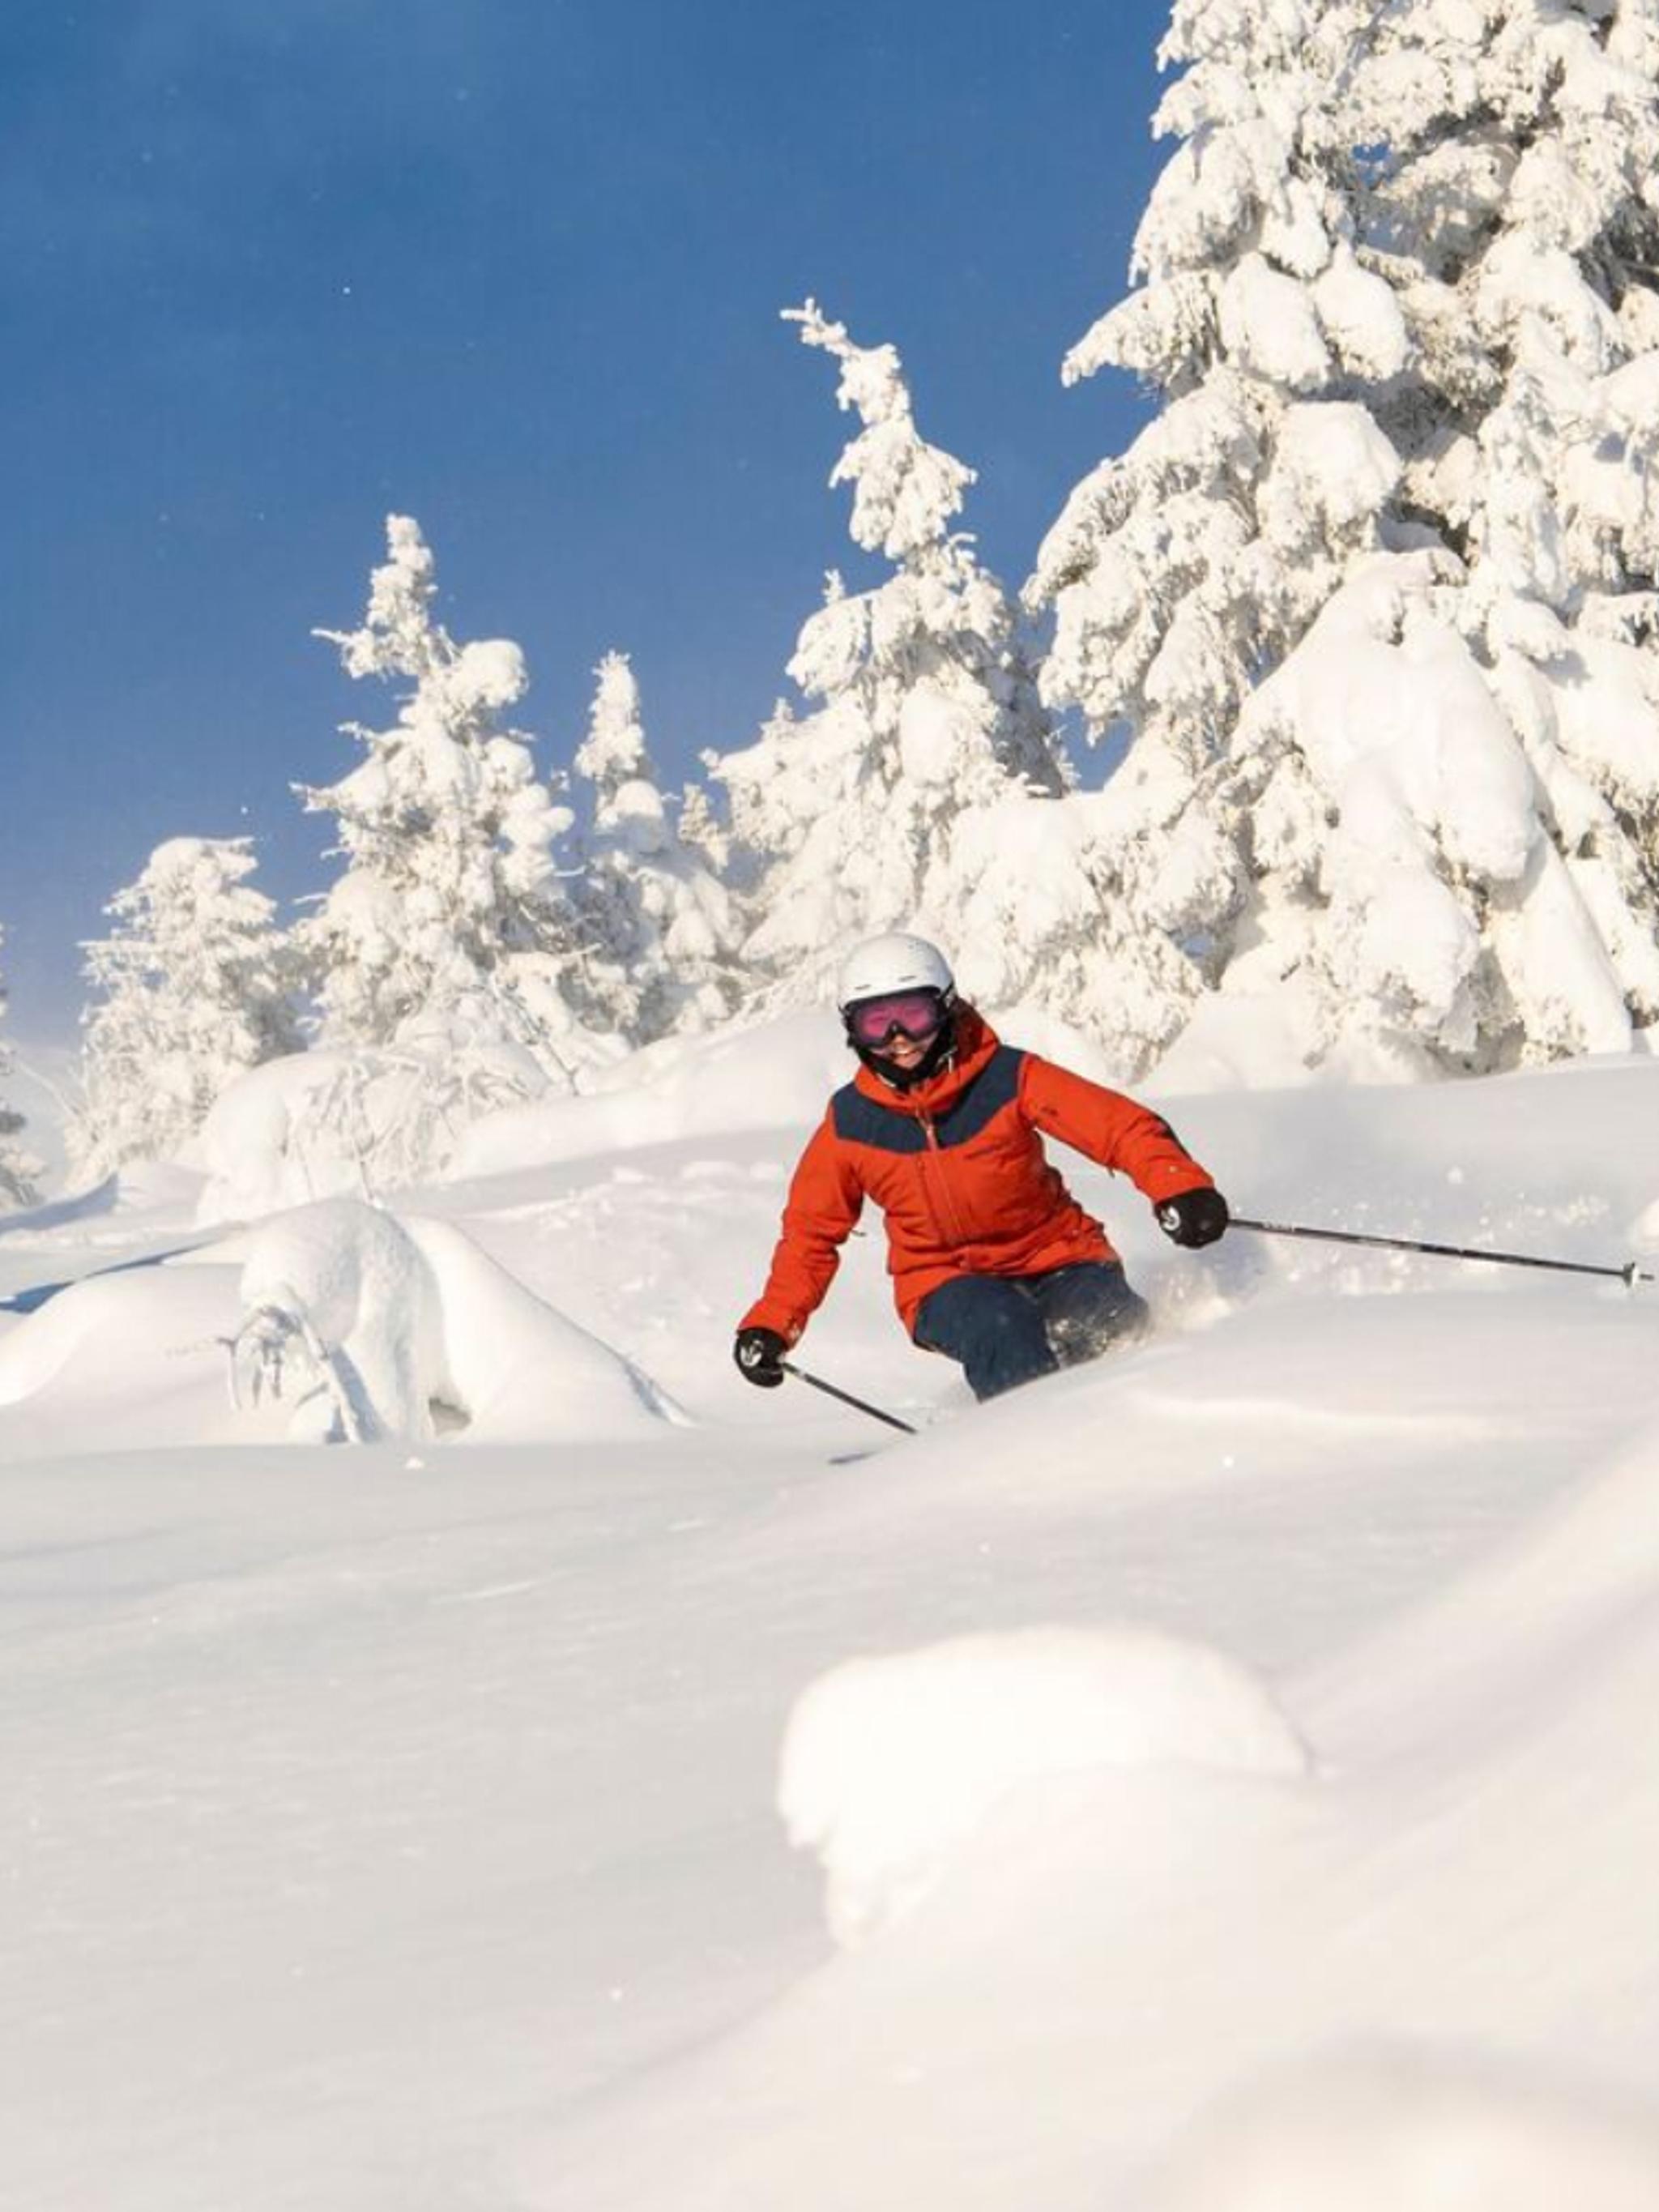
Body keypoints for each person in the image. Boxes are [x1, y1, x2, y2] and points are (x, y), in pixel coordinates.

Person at [733, 933, 1229, 1405]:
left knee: (1105, 1323)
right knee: (1001, 1326)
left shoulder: (1008, 1079)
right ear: (852, 1029)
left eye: (914, 1014)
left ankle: (1157, 1434)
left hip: (1058, 1254)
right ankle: (1033, 1456)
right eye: (875, 1022)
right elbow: (809, 1235)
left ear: (946, 1007)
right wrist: (773, 1325)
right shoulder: (851, 1124)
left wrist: (1179, 1188)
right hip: (943, 1280)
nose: (898, 1038)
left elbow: (1118, 1127)